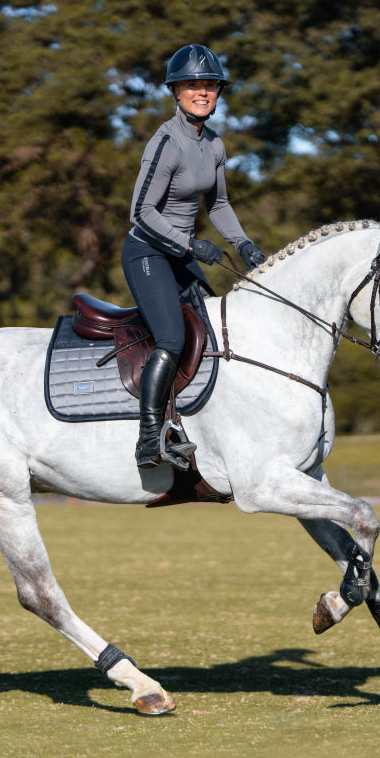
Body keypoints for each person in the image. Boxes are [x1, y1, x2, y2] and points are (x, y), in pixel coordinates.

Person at [121, 44, 266, 468]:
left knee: (213, 332)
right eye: (193, 85)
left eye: (210, 86)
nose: (202, 92)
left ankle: (192, 425)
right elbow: (140, 212)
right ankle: (149, 438)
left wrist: (243, 244)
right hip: (148, 250)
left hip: (181, 254)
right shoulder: (165, 143)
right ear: (176, 91)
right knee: (171, 337)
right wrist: (189, 244)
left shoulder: (215, 145)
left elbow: (218, 205)